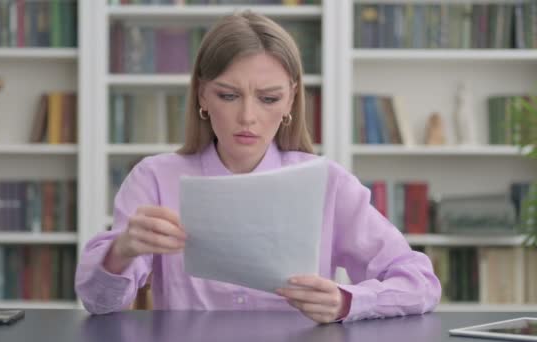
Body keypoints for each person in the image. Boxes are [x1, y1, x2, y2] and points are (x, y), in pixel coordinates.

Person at [75, 11, 441, 324]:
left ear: (291, 100)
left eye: (268, 98)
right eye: (228, 95)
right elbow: (98, 304)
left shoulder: (328, 183)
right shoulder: (154, 179)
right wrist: (122, 251)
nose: (247, 117)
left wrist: (346, 301)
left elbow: (421, 282)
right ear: (202, 94)